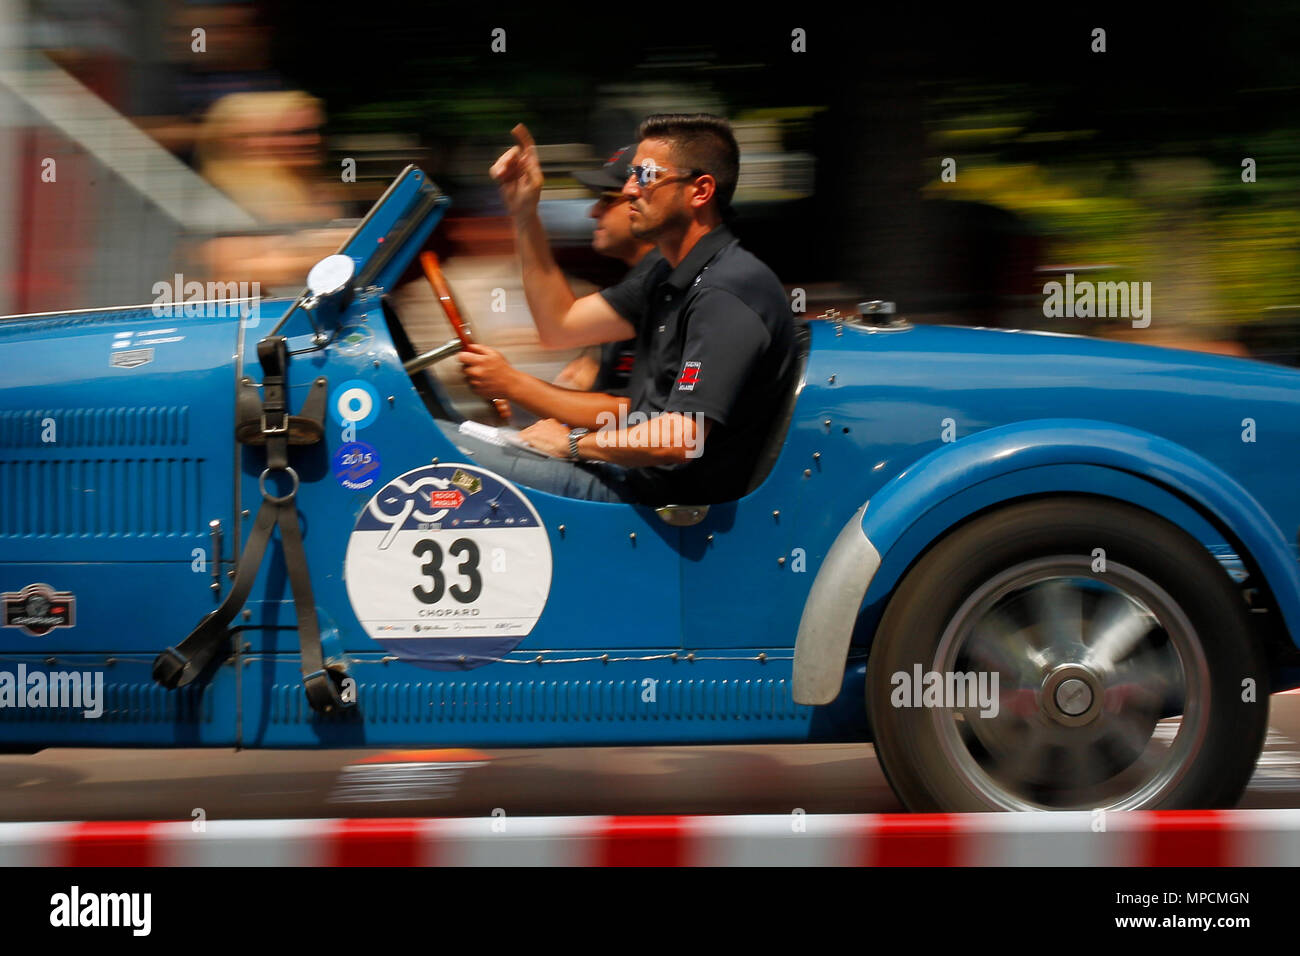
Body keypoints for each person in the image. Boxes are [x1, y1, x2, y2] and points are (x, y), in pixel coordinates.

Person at [447, 113, 795, 506]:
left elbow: (683, 438)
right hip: (630, 482)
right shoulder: (668, 275)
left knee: (442, 461)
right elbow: (558, 326)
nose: (629, 189)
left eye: (645, 176)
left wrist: (572, 443)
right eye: (631, 176)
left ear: (700, 191)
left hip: (657, 506)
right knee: (442, 439)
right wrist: (525, 212)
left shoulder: (727, 289)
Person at [456, 145, 655, 419]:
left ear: (643, 202)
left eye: (607, 199)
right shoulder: (644, 277)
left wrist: (513, 384)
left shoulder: (658, 278)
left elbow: (630, 414)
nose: (593, 212)